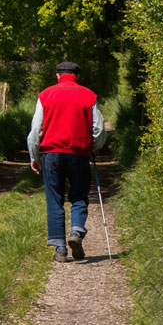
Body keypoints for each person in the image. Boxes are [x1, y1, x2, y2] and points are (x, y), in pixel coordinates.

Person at [27, 61, 107, 262]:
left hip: (52, 154)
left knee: (54, 199)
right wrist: (92, 148)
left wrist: (34, 157)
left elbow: (35, 130)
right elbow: (99, 129)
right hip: (78, 154)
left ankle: (60, 248)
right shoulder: (89, 96)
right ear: (77, 76)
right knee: (79, 195)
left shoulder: (45, 95)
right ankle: (77, 232)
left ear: (57, 75)